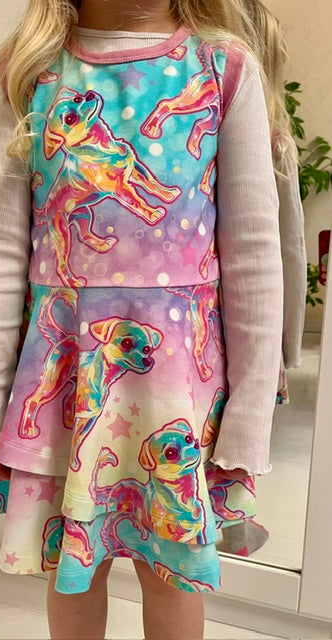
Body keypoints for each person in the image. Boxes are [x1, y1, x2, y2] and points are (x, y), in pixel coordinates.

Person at [0, 1, 286, 638]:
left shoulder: (221, 67)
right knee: (73, 566)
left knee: (172, 572)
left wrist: (249, 419)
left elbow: (254, 254)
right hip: (67, 381)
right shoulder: (27, 72)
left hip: (179, 390)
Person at [215, 0, 307, 558]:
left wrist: (284, 342)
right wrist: (285, 345)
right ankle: (230, 521)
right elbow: (290, 250)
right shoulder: (275, 141)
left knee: (233, 425)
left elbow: (283, 248)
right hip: (225, 321)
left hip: (221, 315)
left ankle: (229, 521)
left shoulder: (271, 142)